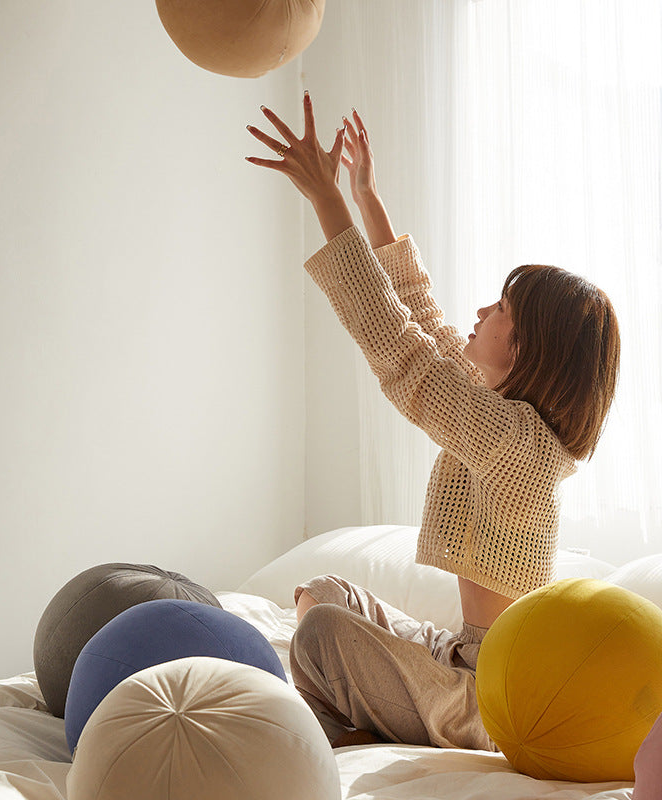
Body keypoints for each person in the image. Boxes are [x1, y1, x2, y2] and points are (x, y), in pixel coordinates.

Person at [245, 92, 621, 750]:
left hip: (495, 701)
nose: (481, 312)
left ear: (528, 348)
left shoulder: (518, 447)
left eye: (501, 309)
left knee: (320, 634)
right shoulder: (509, 423)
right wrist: (366, 196)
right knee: (324, 592)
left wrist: (325, 202)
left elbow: (403, 351)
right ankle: (351, 716)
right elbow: (426, 323)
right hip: (463, 659)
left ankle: (337, 725)